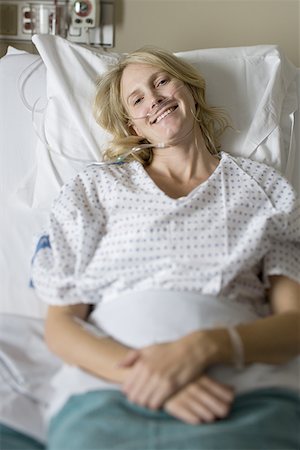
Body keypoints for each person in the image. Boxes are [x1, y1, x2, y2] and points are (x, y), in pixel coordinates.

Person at [31, 47, 300, 450]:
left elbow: (294, 323)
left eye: (161, 82)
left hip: (236, 394)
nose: (153, 98)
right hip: (109, 393)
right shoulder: (94, 189)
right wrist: (150, 378)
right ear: (132, 125)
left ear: (190, 90)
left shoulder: (263, 187)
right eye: (137, 98)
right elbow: (62, 325)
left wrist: (206, 347)